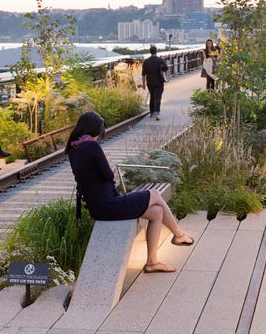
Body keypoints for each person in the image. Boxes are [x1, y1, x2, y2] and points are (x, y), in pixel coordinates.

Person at [66, 111, 194, 273]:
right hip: (109, 205)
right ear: (95, 131)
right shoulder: (91, 146)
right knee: (154, 194)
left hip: (98, 207)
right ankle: (178, 234)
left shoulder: (74, 149)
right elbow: (108, 174)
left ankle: (152, 262)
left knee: (156, 212)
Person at [142, 45, 168, 121]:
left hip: (149, 82)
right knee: (158, 97)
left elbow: (143, 74)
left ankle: (151, 112)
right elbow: (166, 68)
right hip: (158, 81)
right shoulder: (160, 60)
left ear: (150, 52)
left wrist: (143, 84)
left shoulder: (146, 62)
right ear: (156, 51)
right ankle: (156, 112)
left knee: (152, 97)